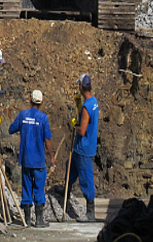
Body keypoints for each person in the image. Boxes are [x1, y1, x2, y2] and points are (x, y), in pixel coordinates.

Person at [8, 90, 56, 227]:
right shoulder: (43, 118)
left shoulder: (23, 115)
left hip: (26, 160)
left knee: (26, 188)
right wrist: (51, 156)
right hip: (38, 161)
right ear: (41, 102)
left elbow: (11, 129)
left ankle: (27, 220)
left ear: (30, 100)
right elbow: (47, 139)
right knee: (39, 189)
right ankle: (39, 220)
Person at [67, 73, 99, 222]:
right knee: (71, 168)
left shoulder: (87, 107)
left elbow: (82, 130)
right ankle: (66, 192)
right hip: (85, 146)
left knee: (86, 179)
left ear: (81, 87)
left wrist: (75, 124)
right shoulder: (93, 102)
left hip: (83, 148)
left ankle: (90, 212)